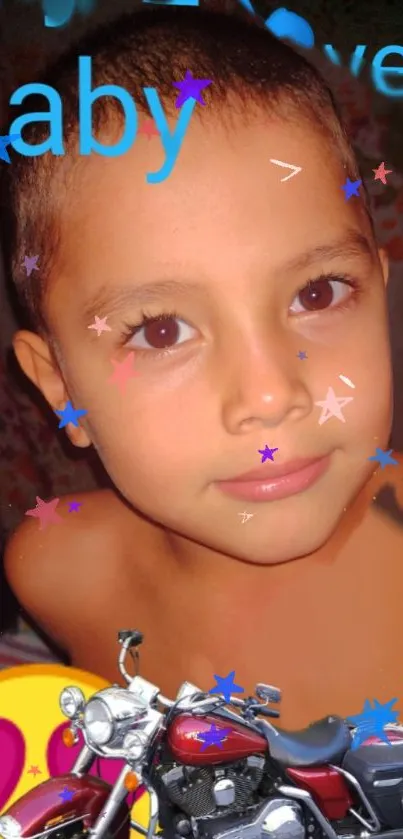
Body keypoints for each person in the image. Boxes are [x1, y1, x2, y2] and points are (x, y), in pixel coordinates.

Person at [2, 2, 403, 729]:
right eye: (160, 330)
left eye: (317, 292)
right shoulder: (55, 570)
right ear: (61, 389)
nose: (271, 393)